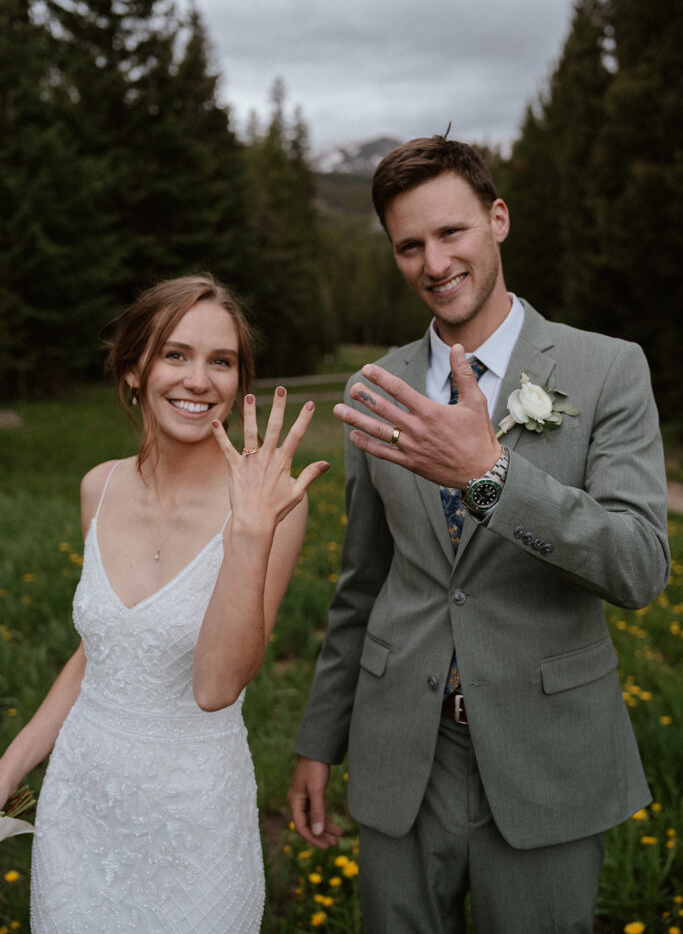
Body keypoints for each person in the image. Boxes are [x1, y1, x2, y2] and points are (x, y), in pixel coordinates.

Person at [287, 137, 670, 933]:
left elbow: (638, 567)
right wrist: (318, 740)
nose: (433, 262)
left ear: (497, 220)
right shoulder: (373, 388)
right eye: (409, 245)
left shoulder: (607, 370)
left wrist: (490, 476)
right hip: (400, 752)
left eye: (450, 232)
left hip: (545, 755)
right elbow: (363, 580)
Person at [0, 274, 328, 933]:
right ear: (133, 370)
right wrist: (8, 767)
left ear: (241, 383)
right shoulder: (99, 486)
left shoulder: (272, 509)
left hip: (193, 818)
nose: (198, 380)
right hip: (82, 805)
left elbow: (216, 685)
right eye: (175, 354)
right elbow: (102, 651)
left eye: (222, 361)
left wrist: (248, 533)